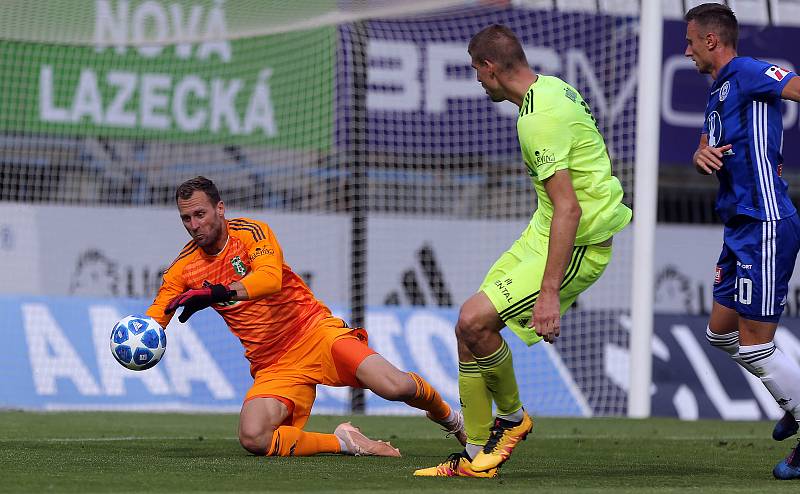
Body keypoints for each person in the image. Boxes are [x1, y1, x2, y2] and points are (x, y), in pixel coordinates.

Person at [414, 25, 631, 478]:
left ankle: (511, 419)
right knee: (466, 329)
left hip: (577, 242)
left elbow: (570, 208)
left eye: (476, 68)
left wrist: (550, 292)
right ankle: (475, 459)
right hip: (544, 230)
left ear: (491, 68)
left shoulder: (537, 121)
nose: (476, 79)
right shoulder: (553, 88)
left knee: (476, 321)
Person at [146, 176, 466, 458]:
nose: (194, 224)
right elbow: (157, 314)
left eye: (200, 214)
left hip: (314, 333)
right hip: (273, 363)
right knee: (253, 437)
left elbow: (269, 279)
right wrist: (141, 334)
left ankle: (451, 419)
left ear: (220, 209)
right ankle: (345, 442)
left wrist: (217, 293)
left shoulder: (252, 233)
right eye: (185, 218)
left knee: (395, 387)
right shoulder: (184, 267)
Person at [683, 3, 800, 480]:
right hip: (738, 227)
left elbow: (795, 85)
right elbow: (712, 151)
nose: (685, 50)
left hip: (765, 221)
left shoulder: (749, 71)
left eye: (690, 41)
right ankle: (794, 400)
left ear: (712, 40)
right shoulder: (718, 93)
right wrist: (699, 155)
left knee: (755, 347)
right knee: (719, 332)